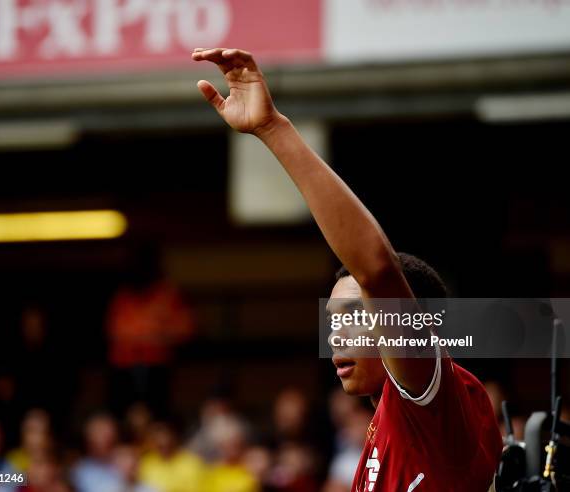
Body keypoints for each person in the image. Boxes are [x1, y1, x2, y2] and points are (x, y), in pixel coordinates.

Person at [192, 47, 502, 490]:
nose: (338, 335)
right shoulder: (378, 434)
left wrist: (271, 128)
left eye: (356, 315)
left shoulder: (434, 404)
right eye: (334, 321)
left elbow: (377, 269)